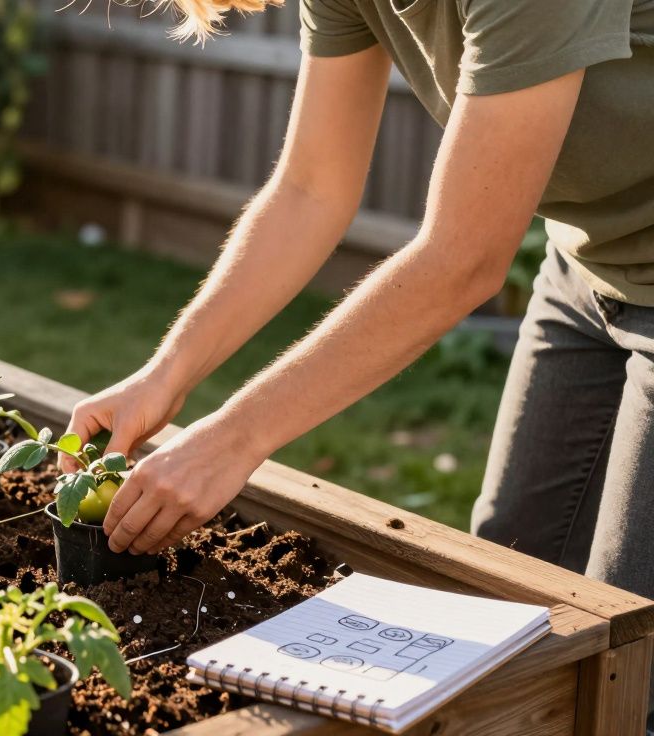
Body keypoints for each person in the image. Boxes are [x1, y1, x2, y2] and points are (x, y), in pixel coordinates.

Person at [73, 0, 654, 712]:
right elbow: (310, 189)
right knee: (505, 581)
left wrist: (232, 439)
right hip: (587, 266)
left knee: (634, 648)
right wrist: (164, 376)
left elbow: (463, 261)